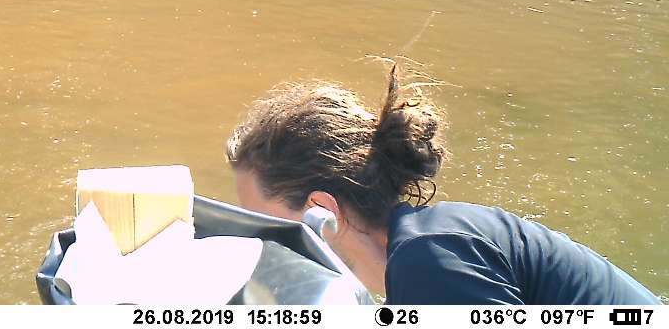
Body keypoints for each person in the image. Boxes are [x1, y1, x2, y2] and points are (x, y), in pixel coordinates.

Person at [225, 67, 659, 304]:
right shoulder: (423, 252)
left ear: (323, 210)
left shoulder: (430, 260)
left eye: (269, 228)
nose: (265, 248)